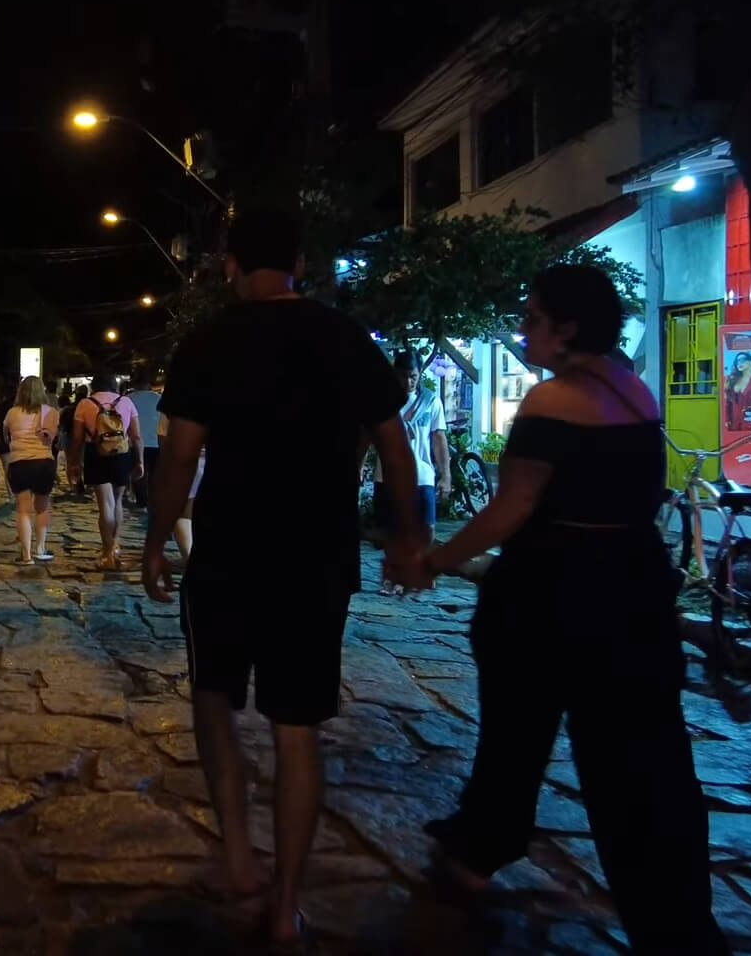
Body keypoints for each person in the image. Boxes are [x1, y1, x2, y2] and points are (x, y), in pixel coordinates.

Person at [410, 265, 727, 953]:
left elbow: (513, 505)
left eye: (532, 317)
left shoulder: (553, 402)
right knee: (648, 761)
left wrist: (434, 559)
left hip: (551, 595)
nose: (523, 329)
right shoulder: (637, 394)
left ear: (567, 327)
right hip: (634, 591)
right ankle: (675, 919)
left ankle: (479, 849)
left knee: (517, 735)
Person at [141, 209, 425, 949]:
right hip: (318, 556)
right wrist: (407, 537)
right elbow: (399, 451)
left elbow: (178, 458)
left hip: (230, 550)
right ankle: (286, 907)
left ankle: (237, 858)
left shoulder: (208, 342)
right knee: (299, 731)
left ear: (230, 265)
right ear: (299, 263)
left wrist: (153, 542)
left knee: (213, 700)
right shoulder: (346, 337)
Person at [373, 350, 450, 589]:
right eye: (403, 376)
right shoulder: (383, 401)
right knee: (392, 529)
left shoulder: (431, 401)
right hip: (388, 474)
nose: (408, 381)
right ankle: (394, 574)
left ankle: (424, 569)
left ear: (420, 375)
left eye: (413, 376)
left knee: (427, 526)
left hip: (423, 474)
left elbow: (438, 438)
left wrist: (445, 474)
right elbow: (368, 434)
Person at [71, 371, 144, 570]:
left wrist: (74, 463)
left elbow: (77, 439)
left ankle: (106, 552)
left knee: (105, 504)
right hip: (121, 454)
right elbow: (136, 437)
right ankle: (116, 544)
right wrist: (140, 462)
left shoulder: (85, 404)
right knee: (118, 500)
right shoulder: (126, 402)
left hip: (96, 455)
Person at [1, 375, 60, 564]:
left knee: (23, 510)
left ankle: (25, 555)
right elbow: (54, 439)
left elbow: (5, 435)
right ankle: (40, 549)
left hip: (20, 463)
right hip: (43, 462)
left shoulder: (12, 413)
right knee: (42, 509)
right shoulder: (50, 412)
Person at [155, 408, 202, 561]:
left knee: (182, 514)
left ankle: (189, 556)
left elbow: (162, 437)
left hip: (186, 463)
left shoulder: (177, 403)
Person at [125, 370, 163, 509]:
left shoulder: (127, 399)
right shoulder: (158, 398)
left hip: (134, 443)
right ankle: (153, 503)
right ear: (148, 384)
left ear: (135, 384)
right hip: (155, 442)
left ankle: (141, 502)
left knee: (137, 474)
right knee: (154, 476)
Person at [724, 351, 751, 431]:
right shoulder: (733, 380)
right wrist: (727, 420)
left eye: (742, 360)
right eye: (737, 361)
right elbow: (728, 403)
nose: (739, 363)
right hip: (733, 424)